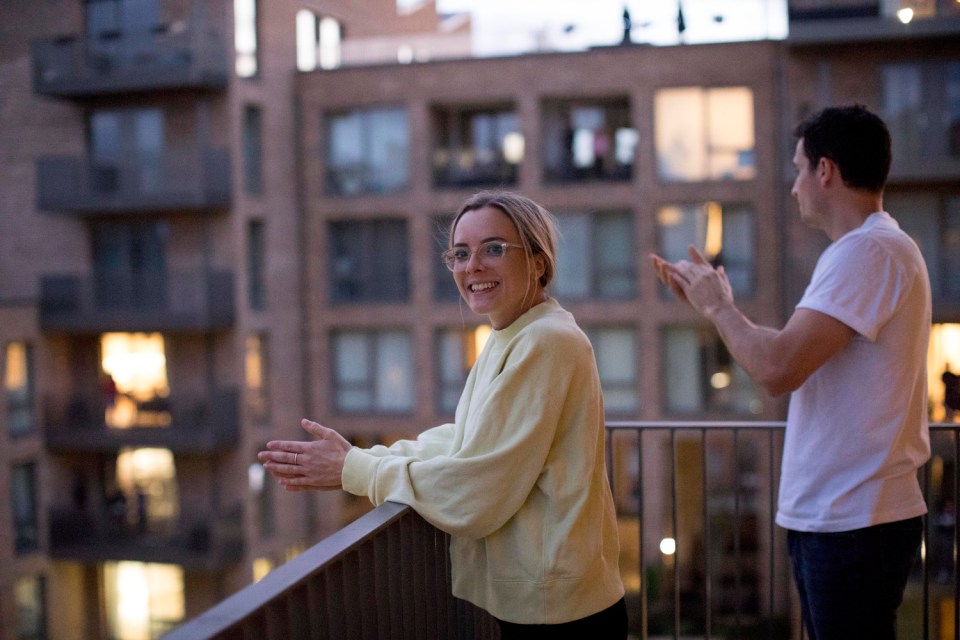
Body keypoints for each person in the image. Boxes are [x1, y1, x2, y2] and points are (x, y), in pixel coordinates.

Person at [259, 191, 626, 638]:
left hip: (561, 616)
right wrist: (363, 459)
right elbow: (466, 438)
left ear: (537, 261)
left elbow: (478, 491)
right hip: (551, 603)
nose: (472, 266)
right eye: (460, 253)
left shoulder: (546, 342)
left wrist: (356, 470)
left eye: (494, 248)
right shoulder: (516, 335)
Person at [651, 104, 931, 639]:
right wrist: (720, 305)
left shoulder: (868, 251)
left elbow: (776, 368)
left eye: (799, 169)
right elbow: (786, 354)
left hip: (854, 520)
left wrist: (718, 309)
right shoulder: (869, 250)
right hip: (847, 518)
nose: (793, 186)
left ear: (825, 170)